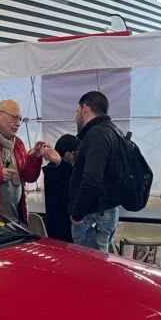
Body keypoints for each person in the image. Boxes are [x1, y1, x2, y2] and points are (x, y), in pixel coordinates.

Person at [69, 91, 122, 252]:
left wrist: (77, 214)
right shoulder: (113, 131)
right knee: (98, 268)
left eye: (77, 111)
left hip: (92, 217)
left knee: (89, 271)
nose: (76, 115)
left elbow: (92, 179)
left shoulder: (97, 133)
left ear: (85, 109)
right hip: (104, 213)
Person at [41, 134, 79, 242]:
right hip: (67, 228)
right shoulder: (66, 173)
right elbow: (74, 177)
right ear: (68, 155)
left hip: (53, 227)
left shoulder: (50, 170)